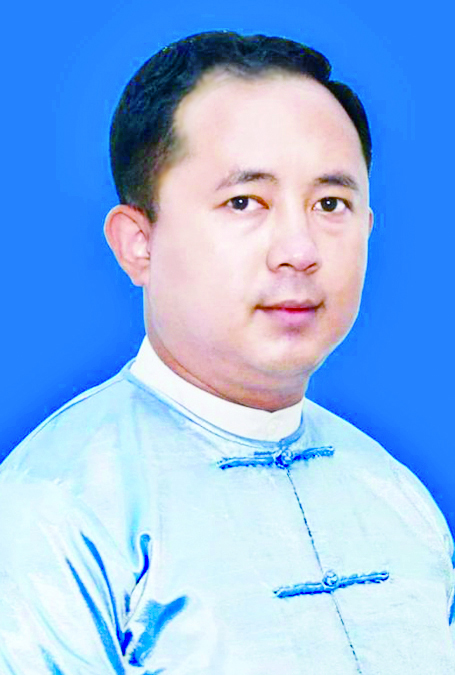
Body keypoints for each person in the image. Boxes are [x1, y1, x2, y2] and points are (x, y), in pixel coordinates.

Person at [0, 30, 454, 675]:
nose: (299, 251)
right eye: (244, 202)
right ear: (138, 243)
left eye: (331, 203)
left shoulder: (396, 494)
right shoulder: (54, 508)